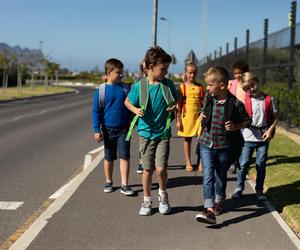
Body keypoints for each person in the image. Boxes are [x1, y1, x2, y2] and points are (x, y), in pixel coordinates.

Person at [125, 47, 178, 216]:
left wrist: (174, 108)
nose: (166, 72)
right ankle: (146, 200)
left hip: (163, 134)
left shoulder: (168, 85)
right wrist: (135, 110)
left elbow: (177, 102)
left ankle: (163, 195)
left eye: (167, 68)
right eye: (163, 68)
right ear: (150, 66)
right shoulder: (140, 86)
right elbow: (127, 102)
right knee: (147, 169)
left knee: (161, 169)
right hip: (145, 134)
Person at [195, 66, 251, 224]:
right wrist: (201, 116)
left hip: (225, 146)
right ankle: (209, 209)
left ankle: (219, 200)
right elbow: (203, 111)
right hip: (206, 144)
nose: (207, 88)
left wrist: (235, 126)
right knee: (208, 175)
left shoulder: (235, 104)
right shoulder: (208, 98)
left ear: (221, 86)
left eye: (210, 85)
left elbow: (247, 121)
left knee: (220, 176)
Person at [231, 72, 277, 201]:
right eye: (247, 89)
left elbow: (275, 118)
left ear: (257, 81)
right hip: (247, 138)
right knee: (243, 163)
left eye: (253, 85)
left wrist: (270, 131)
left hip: (263, 138)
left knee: (260, 164)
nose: (251, 89)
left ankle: (259, 190)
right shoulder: (244, 101)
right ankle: (239, 188)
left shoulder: (269, 99)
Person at [92, 58, 134, 196]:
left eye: (122, 72)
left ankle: (124, 184)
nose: (121, 75)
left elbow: (132, 105)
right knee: (109, 157)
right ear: (109, 72)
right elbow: (96, 112)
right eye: (118, 72)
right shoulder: (101, 90)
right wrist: (97, 130)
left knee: (125, 156)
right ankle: (108, 181)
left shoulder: (125, 88)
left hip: (124, 129)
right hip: (108, 129)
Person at [176, 62, 204, 172]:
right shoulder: (182, 87)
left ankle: (201, 162)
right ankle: (188, 162)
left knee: (201, 139)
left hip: (198, 117)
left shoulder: (200, 87)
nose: (192, 75)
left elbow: (203, 102)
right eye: (190, 73)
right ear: (186, 73)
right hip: (187, 116)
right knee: (187, 139)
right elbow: (178, 105)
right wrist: (178, 120)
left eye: (194, 73)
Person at [227, 59, 250, 174]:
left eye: (240, 72)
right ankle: (233, 162)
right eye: (236, 73)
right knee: (233, 141)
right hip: (234, 115)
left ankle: (241, 161)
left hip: (245, 116)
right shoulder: (231, 83)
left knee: (243, 140)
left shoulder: (248, 83)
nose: (238, 75)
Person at [136, 60, 147, 174]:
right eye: (144, 67)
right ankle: (141, 162)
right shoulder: (138, 81)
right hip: (141, 116)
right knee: (142, 140)